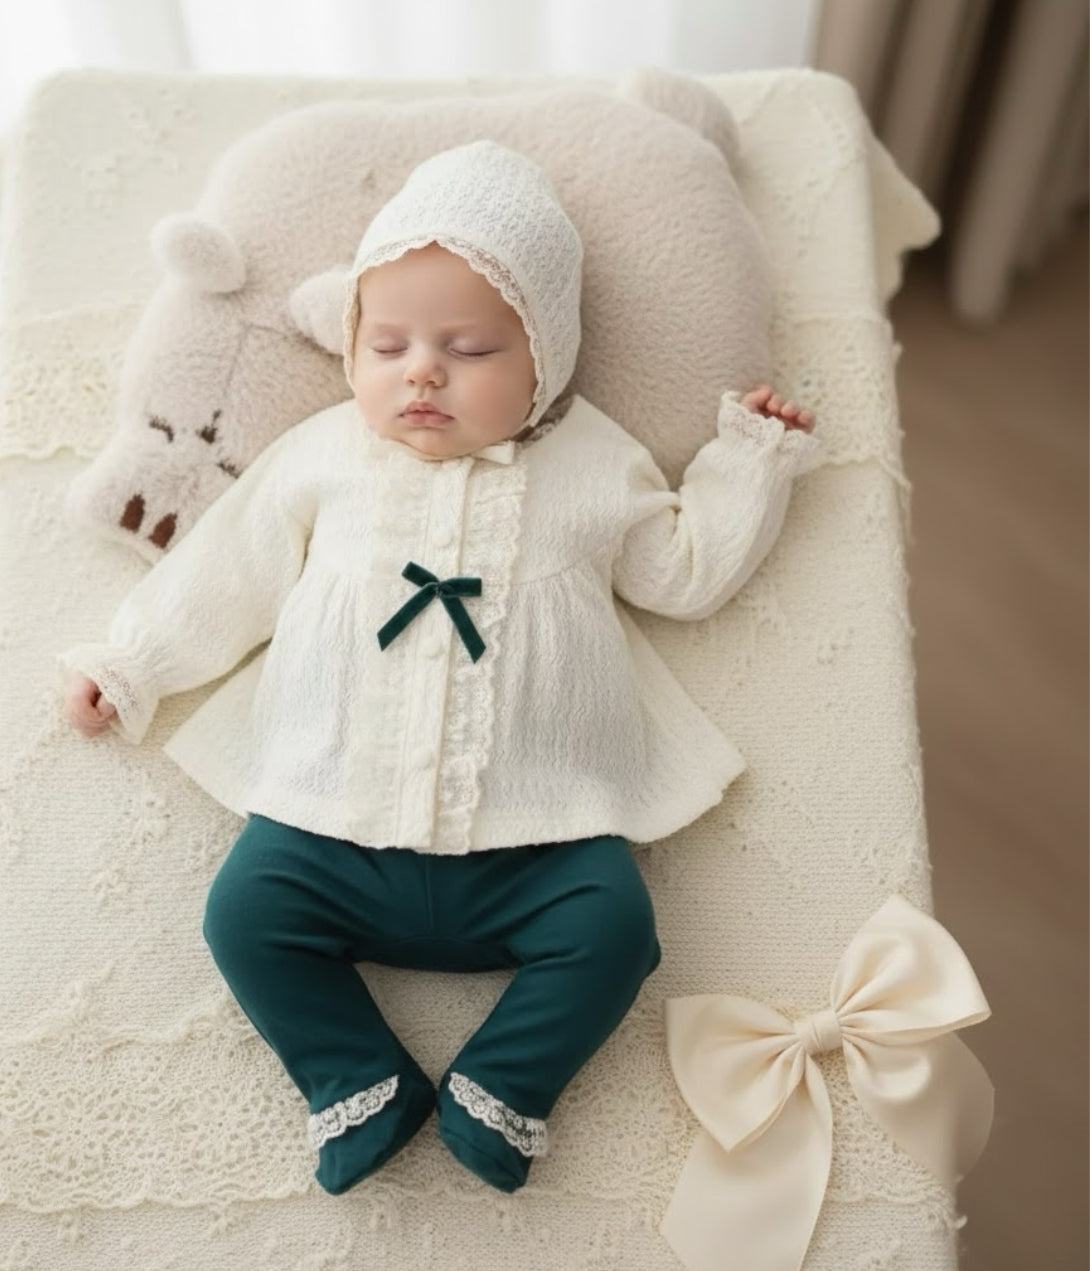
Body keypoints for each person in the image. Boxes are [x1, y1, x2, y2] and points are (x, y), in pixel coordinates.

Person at [61, 140, 817, 1197]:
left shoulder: (596, 462)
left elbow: (679, 571)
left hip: (539, 841)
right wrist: (132, 662)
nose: (421, 371)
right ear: (352, 349)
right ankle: (358, 1078)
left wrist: (748, 464)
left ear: (544, 358)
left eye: (466, 347)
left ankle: (500, 1087)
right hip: (329, 825)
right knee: (241, 913)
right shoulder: (324, 455)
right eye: (389, 344)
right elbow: (224, 572)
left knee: (616, 929)